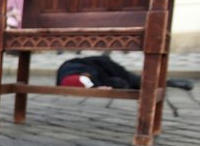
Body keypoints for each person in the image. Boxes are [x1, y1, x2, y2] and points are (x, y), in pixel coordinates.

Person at [56, 55, 194, 91]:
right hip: (99, 76)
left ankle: (166, 82)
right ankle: (164, 82)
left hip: (102, 69)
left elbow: (85, 78)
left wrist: (96, 85)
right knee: (125, 82)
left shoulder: (79, 70)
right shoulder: (68, 73)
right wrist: (97, 86)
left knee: (131, 80)